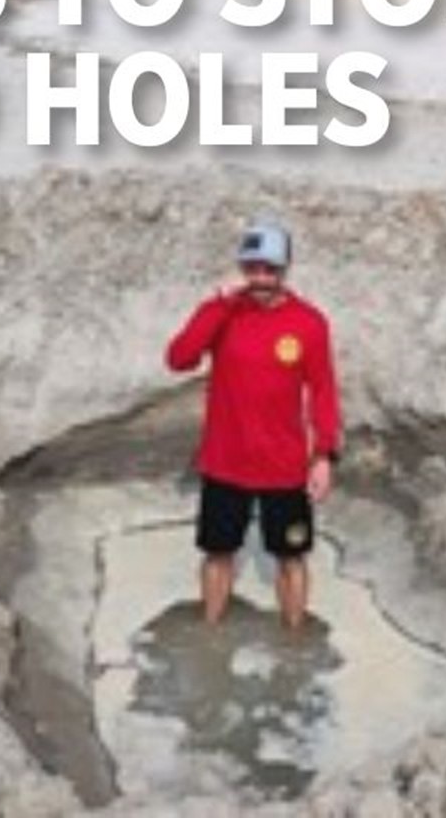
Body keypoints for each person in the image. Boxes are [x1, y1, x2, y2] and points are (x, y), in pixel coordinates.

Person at [165, 218, 340, 630]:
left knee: (292, 557)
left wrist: (324, 456)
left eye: (271, 269)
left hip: (284, 467)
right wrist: (218, 304)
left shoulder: (310, 323)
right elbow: (179, 359)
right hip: (226, 464)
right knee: (217, 553)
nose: (261, 278)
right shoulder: (223, 313)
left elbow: (324, 394)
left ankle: (294, 641)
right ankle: (210, 636)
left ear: (286, 269)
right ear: (242, 267)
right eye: (253, 268)